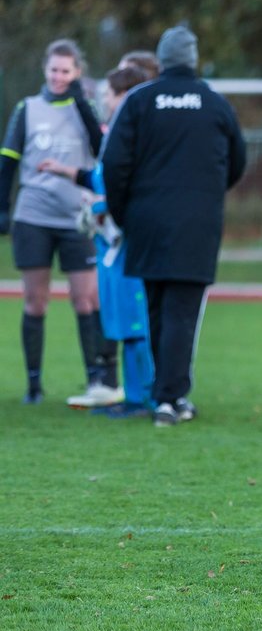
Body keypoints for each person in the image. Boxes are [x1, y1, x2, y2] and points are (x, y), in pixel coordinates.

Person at [101, 25, 247, 427]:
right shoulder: (216, 104)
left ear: (162, 59)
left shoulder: (139, 101)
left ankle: (165, 393)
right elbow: (237, 162)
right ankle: (170, 398)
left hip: (146, 221)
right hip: (197, 224)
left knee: (156, 309)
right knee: (183, 312)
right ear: (194, 59)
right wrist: (205, 196)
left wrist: (122, 212)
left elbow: (114, 163)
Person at [0, 38, 117, 405]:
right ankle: (34, 384)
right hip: (33, 216)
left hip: (77, 220)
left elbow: (103, 153)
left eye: (66, 70)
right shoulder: (28, 108)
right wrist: (2, 208)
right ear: (45, 70)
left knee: (85, 299)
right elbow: (7, 161)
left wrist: (82, 103)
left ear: (77, 73)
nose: (58, 76)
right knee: (36, 300)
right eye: (54, 69)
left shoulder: (87, 109)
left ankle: (95, 379)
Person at [40, 64, 155, 417]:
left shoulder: (139, 135)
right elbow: (104, 178)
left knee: (137, 323)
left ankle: (144, 397)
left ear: (125, 96)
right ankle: (133, 395)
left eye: (109, 94)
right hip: (110, 244)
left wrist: (103, 207)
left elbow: (133, 189)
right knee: (122, 320)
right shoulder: (117, 133)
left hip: (128, 242)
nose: (105, 99)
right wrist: (69, 176)